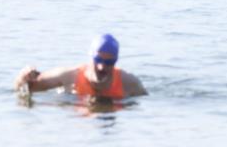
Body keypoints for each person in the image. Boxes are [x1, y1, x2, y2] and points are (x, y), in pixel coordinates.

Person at [14, 34, 148, 100]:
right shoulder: (68, 77)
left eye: (108, 62)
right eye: (98, 60)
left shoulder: (130, 83)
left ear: (115, 61)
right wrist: (23, 78)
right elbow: (23, 89)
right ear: (91, 58)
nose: (102, 67)